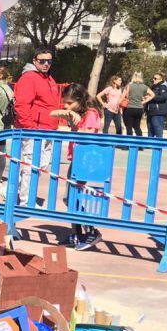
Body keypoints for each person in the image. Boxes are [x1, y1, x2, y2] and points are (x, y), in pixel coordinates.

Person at [52, 83, 103, 250]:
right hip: (77, 158)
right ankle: (77, 232)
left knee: (71, 196)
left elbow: (87, 136)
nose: (66, 106)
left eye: (70, 103)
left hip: (86, 160)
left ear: (80, 100)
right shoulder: (81, 113)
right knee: (70, 196)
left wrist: (75, 120)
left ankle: (91, 231)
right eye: (65, 103)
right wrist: (71, 119)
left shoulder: (91, 113)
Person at [13, 47, 62, 201]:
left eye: (49, 61)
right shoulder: (29, 78)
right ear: (35, 61)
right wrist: (30, 128)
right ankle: (25, 199)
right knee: (31, 166)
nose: (46, 64)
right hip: (35, 130)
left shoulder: (49, 79)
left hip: (48, 130)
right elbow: (22, 105)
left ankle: (13, 190)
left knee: (43, 165)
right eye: (42, 61)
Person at [122, 72, 152, 136]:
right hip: (139, 109)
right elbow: (152, 95)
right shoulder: (144, 86)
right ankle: (140, 143)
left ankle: (129, 143)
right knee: (137, 127)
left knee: (129, 127)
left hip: (129, 108)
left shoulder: (129, 86)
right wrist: (144, 101)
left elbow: (123, 96)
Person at [145, 72, 167, 138]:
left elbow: (163, 97)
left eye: (155, 78)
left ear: (161, 79)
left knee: (158, 130)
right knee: (150, 130)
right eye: (153, 78)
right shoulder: (153, 87)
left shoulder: (163, 87)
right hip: (151, 112)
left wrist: (152, 97)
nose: (153, 79)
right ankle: (149, 146)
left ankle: (159, 147)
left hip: (158, 113)